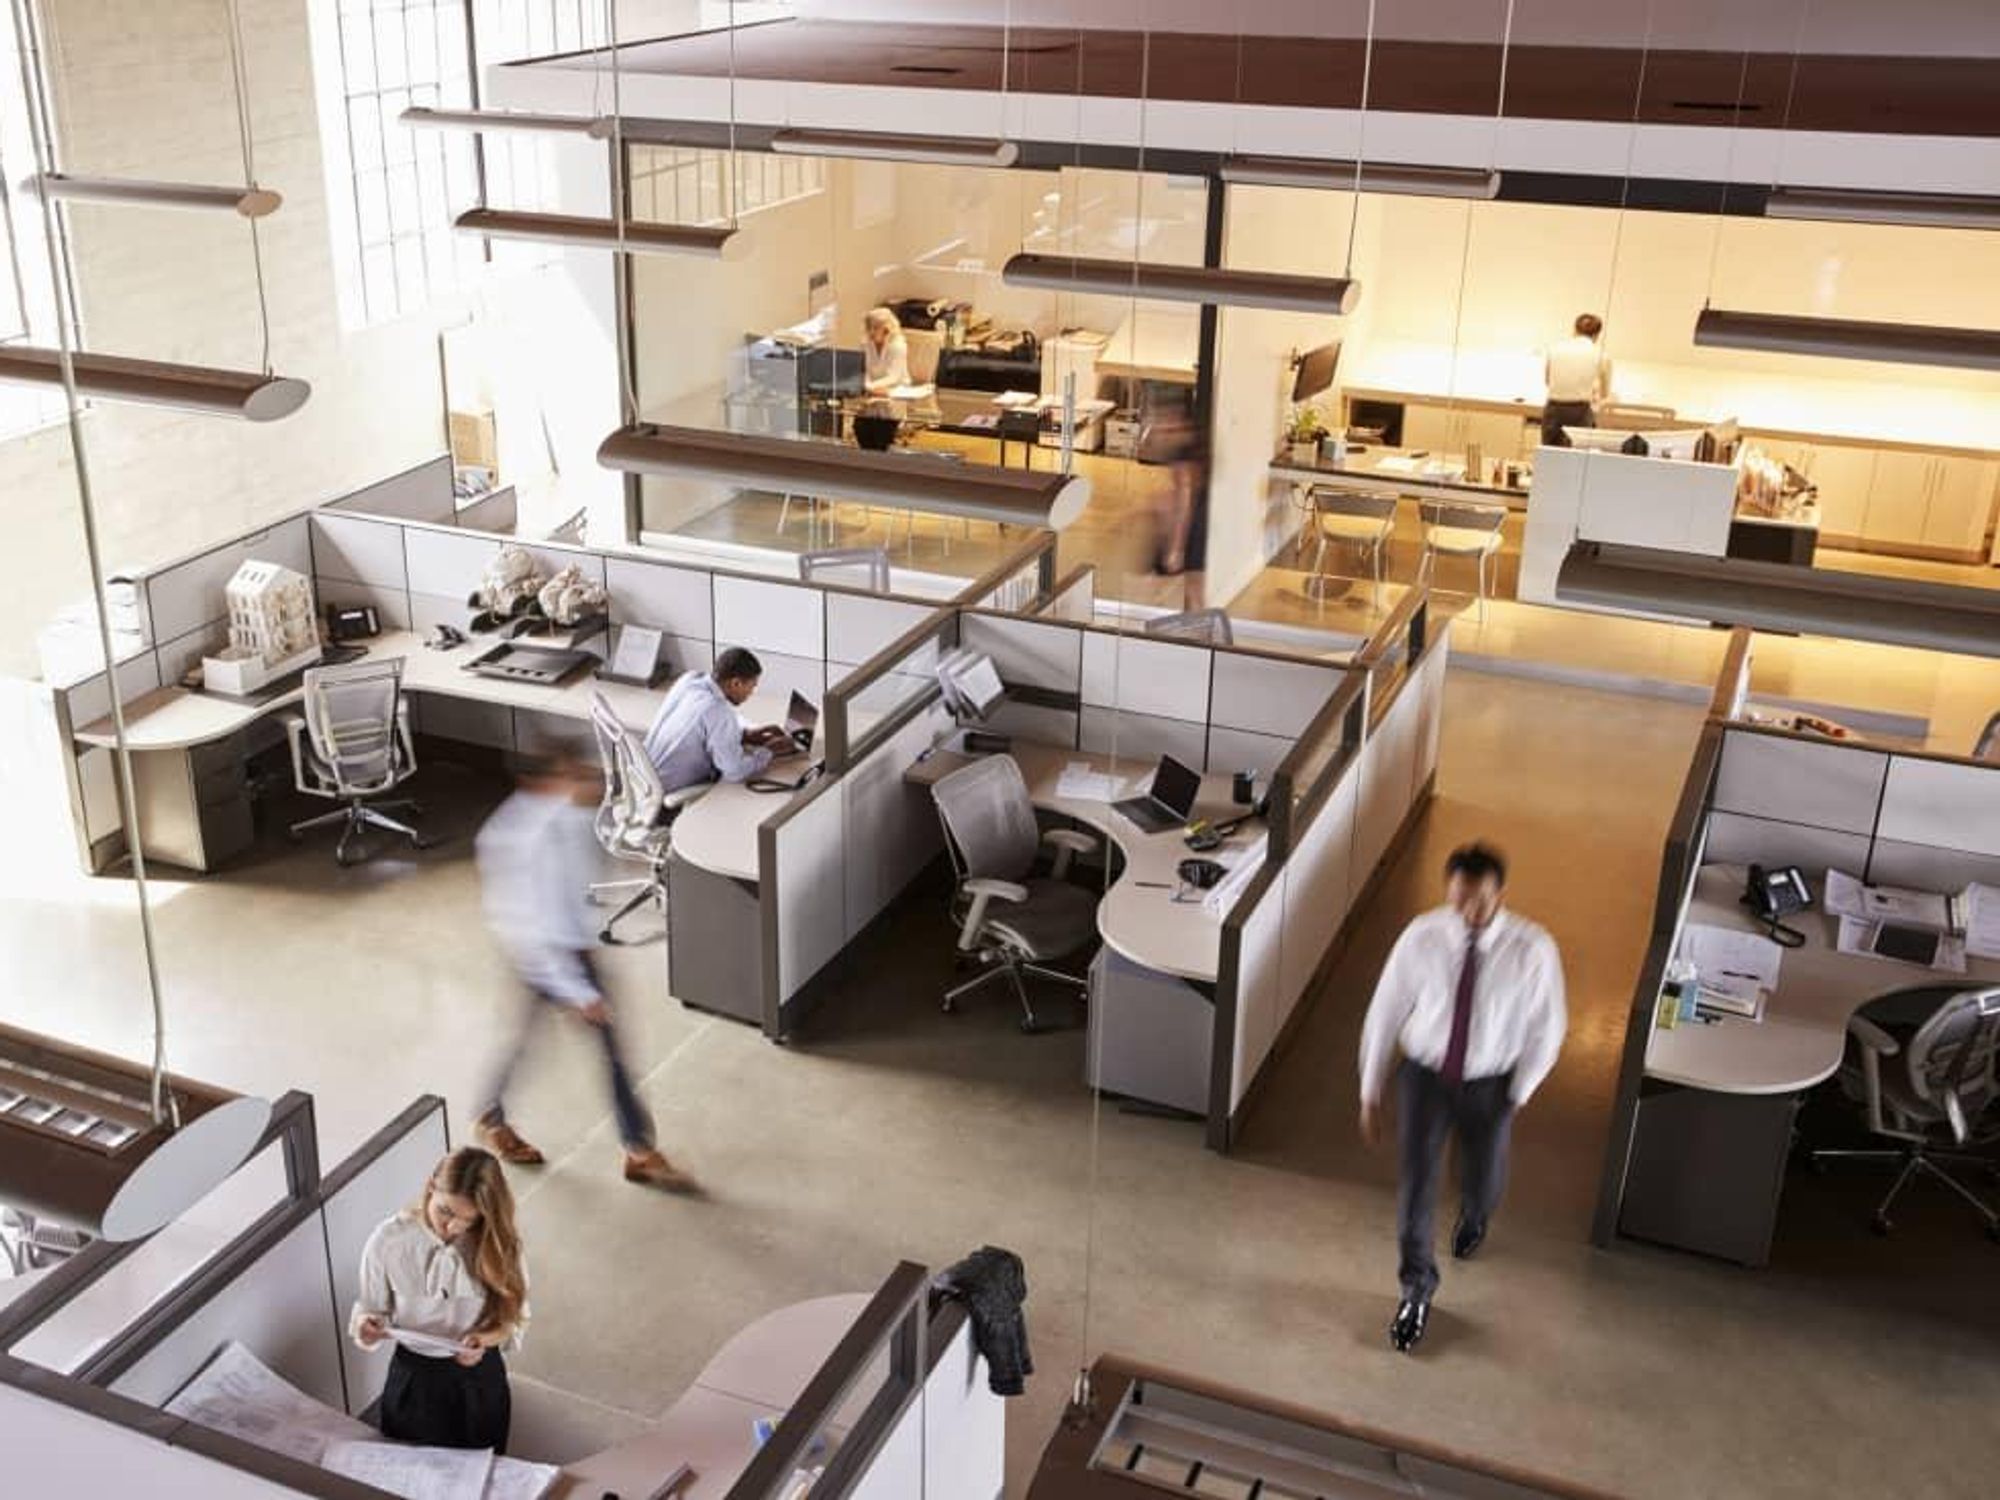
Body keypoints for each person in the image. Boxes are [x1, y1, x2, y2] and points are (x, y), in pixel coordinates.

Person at [1357, 843, 1567, 1354]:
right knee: (1417, 1185)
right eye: (1457, 899)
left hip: (1490, 1084)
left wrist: (1520, 1092)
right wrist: (1370, 1087)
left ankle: (1475, 1213)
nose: (1466, 912)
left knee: (1483, 1177)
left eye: (1477, 901)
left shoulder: (1532, 949)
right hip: (1426, 1077)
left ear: (1500, 895)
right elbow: (1386, 1008)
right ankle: (1416, 1290)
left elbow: (1549, 1026)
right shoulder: (1422, 937)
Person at [472, 748, 692, 1190]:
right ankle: (639, 1150)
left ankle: (491, 1114)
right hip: (548, 957)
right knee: (610, 1051)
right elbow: (532, 927)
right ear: (541, 781)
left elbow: (584, 869)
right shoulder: (521, 840)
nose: (587, 781)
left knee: (527, 1040)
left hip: (572, 950)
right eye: (573, 774)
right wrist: (578, 992)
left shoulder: (562, 813)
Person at [350, 1147, 528, 1452]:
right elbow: (371, 1309)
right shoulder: (388, 1241)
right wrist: (367, 1326)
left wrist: (484, 1339)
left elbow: (512, 1320)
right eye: (445, 1211)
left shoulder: (499, 1244)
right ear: (431, 1185)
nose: (452, 1227)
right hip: (412, 1377)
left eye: (468, 1220)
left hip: (478, 1379)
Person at [643, 646, 793, 795]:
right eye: (751, 686)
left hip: (642, 780)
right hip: (662, 792)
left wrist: (744, 734)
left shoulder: (689, 680)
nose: (751, 694)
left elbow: (702, 729)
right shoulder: (718, 710)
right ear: (736, 683)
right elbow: (735, 771)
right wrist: (769, 751)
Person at [1541, 313, 1611, 447]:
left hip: (1553, 408)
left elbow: (1547, 381)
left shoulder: (1555, 348)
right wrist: (1594, 393)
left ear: (1574, 330)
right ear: (1597, 335)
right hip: (1580, 411)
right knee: (1576, 459)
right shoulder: (1602, 355)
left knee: (1549, 456)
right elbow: (1604, 394)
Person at [862, 306, 912, 395]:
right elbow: (866, 371)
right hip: (873, 389)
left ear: (886, 329)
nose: (871, 332)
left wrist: (871, 386)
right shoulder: (867, 344)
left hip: (896, 389)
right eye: (869, 327)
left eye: (876, 328)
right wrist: (866, 385)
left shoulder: (898, 345)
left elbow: (894, 377)